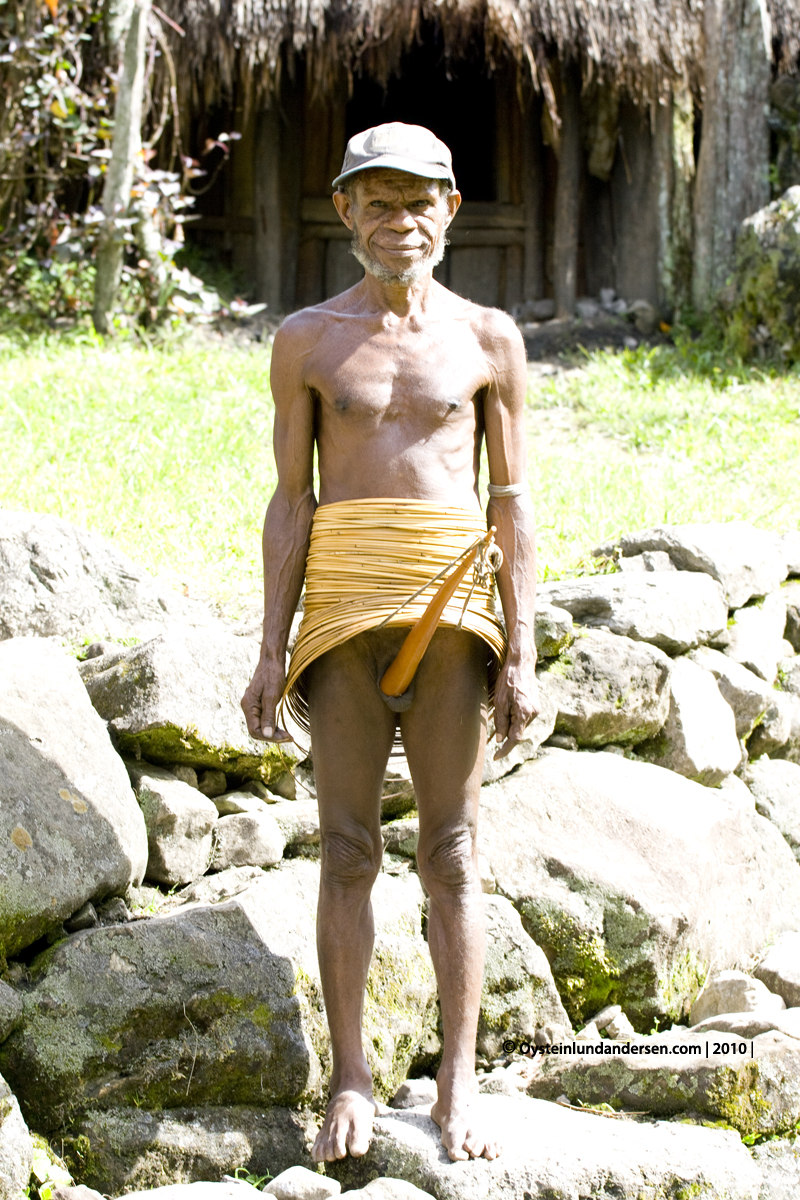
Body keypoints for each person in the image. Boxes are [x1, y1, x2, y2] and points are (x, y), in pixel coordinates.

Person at [242, 122, 539, 1165]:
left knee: (450, 852)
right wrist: (271, 645)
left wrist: (525, 649)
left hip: (454, 612)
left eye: (418, 201)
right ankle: (352, 1076)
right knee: (346, 849)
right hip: (340, 615)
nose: (397, 220)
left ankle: (457, 1080)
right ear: (345, 213)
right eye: (376, 201)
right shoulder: (308, 340)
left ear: (448, 211)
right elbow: (292, 502)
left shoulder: (490, 339)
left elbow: (508, 503)